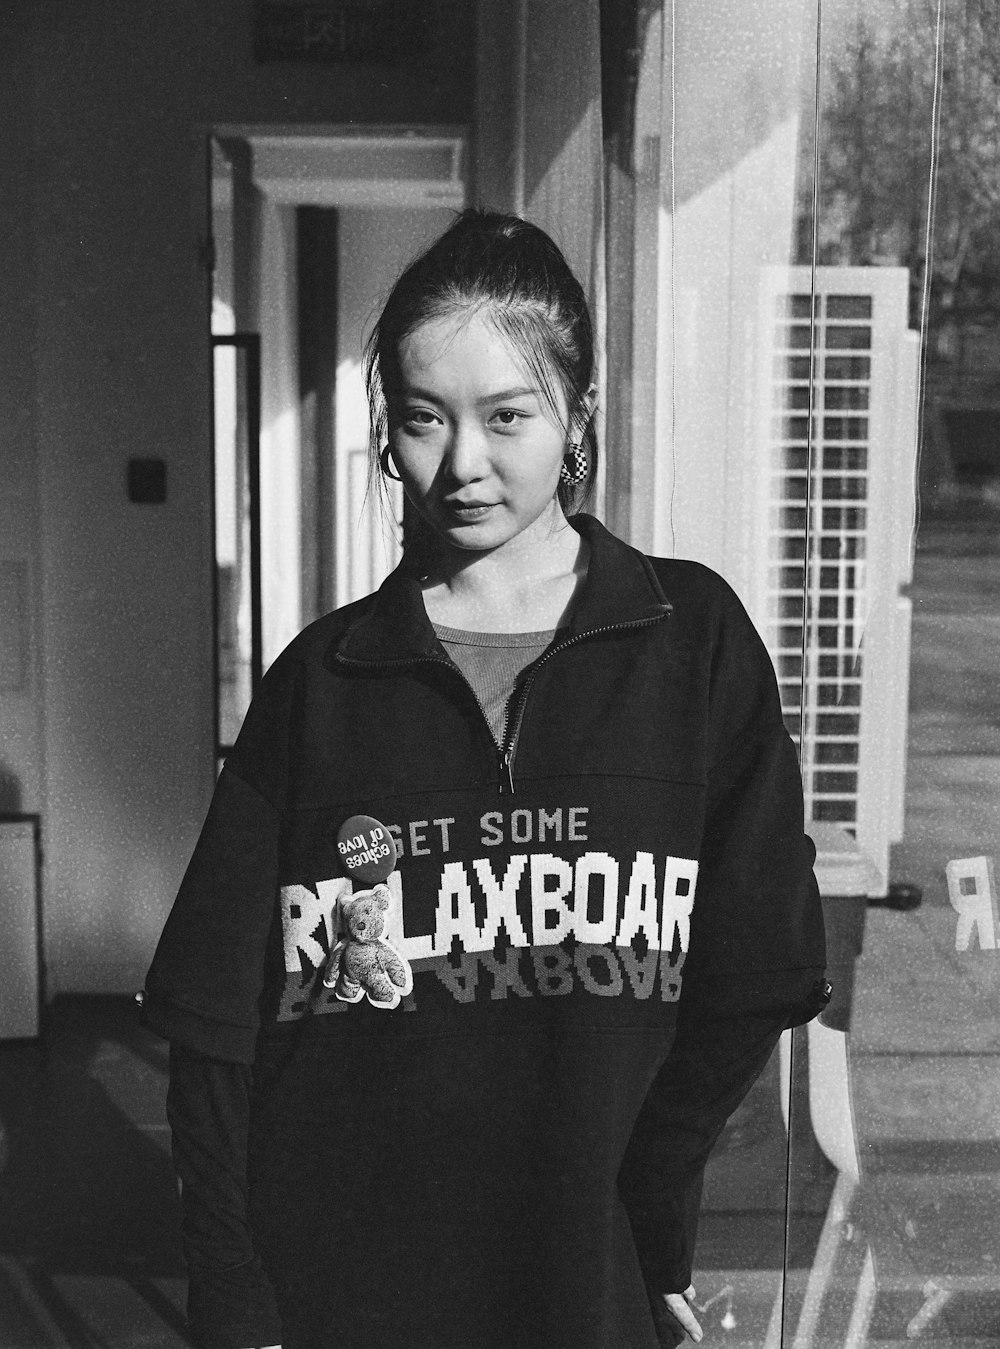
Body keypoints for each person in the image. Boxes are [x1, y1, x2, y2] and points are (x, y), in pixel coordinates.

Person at [142, 208, 828, 1349]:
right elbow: (214, 1025)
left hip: (583, 1271)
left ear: (576, 421)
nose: (461, 463)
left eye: (507, 415)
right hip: (337, 1284)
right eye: (422, 420)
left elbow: (759, 970)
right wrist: (233, 1294)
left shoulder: (690, 640)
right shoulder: (323, 679)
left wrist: (648, 1213)